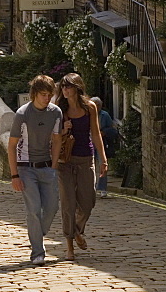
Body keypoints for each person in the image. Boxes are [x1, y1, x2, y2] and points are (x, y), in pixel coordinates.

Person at [8, 75, 63, 265]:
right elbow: (12, 145)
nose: (46, 99)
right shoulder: (22, 114)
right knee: (33, 209)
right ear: (34, 94)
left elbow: (57, 140)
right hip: (26, 169)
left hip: (47, 167)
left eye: (49, 95)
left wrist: (54, 166)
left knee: (52, 207)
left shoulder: (55, 112)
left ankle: (37, 234)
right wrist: (14, 174)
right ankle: (37, 252)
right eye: (43, 95)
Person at [54, 73, 107, 261]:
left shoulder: (89, 107)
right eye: (63, 87)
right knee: (68, 203)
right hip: (64, 162)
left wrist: (103, 158)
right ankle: (69, 246)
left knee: (88, 202)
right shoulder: (59, 109)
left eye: (68, 87)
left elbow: (96, 133)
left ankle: (76, 231)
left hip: (86, 159)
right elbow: (51, 137)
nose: (65, 90)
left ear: (77, 88)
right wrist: (62, 129)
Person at [91, 97, 119, 197]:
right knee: (90, 166)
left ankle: (102, 188)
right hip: (88, 142)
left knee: (102, 164)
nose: (97, 107)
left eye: (98, 105)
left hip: (100, 142)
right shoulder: (86, 113)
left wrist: (104, 132)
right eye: (95, 105)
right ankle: (91, 187)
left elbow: (112, 129)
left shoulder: (104, 115)